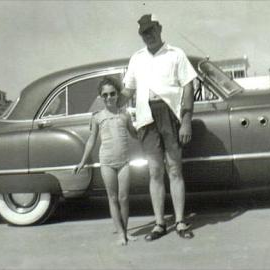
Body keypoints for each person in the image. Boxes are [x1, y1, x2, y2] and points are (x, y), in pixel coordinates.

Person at [121, 14, 197, 241]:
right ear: (141, 35)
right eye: (144, 32)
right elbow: (128, 91)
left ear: (160, 28)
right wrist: (109, 105)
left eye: (152, 30)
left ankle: (181, 221)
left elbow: (188, 87)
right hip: (146, 117)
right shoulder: (137, 58)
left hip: (170, 116)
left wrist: (186, 120)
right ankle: (159, 223)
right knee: (155, 172)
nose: (149, 35)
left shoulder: (176, 54)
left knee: (174, 169)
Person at [75, 77, 137, 246]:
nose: (109, 97)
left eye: (112, 94)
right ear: (101, 97)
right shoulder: (97, 117)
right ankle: (120, 234)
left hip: (124, 161)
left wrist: (150, 135)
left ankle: (126, 231)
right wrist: (82, 161)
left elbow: (134, 133)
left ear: (117, 94)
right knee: (113, 197)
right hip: (107, 162)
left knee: (124, 197)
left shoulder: (124, 114)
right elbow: (91, 141)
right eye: (105, 95)